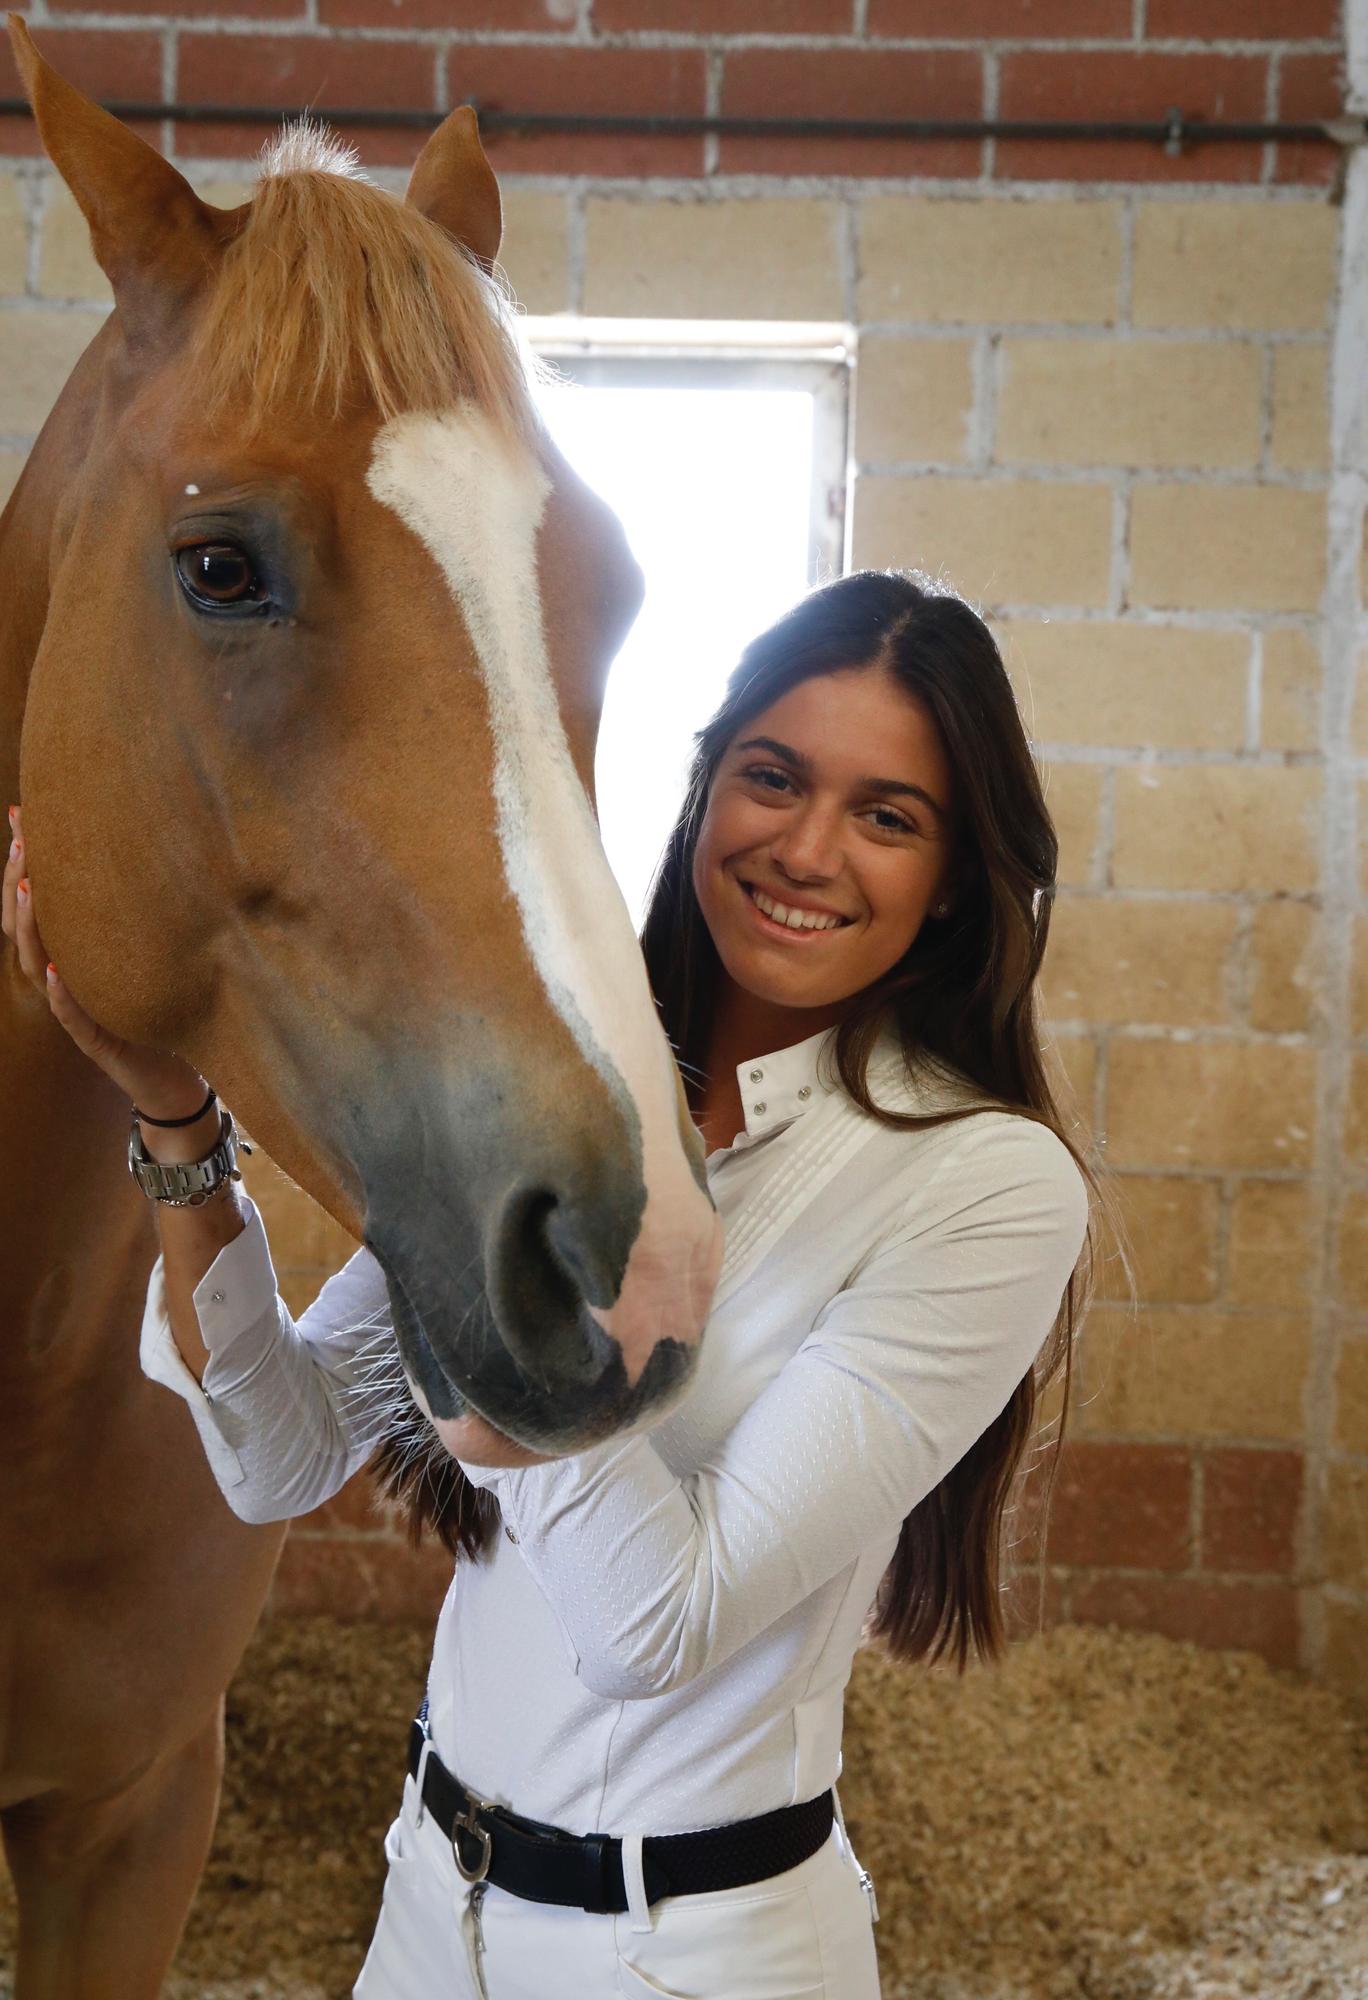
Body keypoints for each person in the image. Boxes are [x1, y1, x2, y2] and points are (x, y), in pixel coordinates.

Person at [3, 567, 1122, 2000]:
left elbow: (655, 1626)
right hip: (425, 1903)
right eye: (771, 778)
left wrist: (495, 1352)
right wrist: (172, 1115)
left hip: (691, 1957)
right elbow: (276, 1454)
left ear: (958, 875)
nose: (806, 848)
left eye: (887, 816)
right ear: (707, 785)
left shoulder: (981, 1186)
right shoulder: (557, 1093)